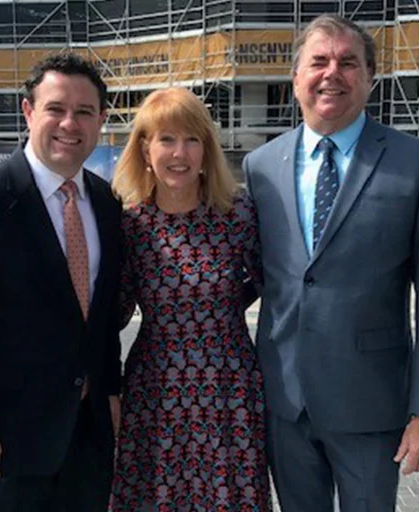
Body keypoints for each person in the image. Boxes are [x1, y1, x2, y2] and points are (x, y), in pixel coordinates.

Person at [242, 14, 419, 512]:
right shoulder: (261, 167)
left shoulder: (418, 163)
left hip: (371, 404)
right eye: (318, 61)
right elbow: (253, 277)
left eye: (348, 62)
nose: (331, 73)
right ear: (296, 77)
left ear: (369, 78)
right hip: (285, 401)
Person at [0, 53, 122, 512]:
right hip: (3, 444)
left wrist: (109, 390)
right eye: (55, 108)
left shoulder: (106, 204)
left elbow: (102, 315)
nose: (69, 123)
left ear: (101, 121)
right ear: (29, 111)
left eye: (84, 111)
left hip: (85, 440)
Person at [109, 87, 272, 511]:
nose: (179, 152)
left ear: (206, 150)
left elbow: (272, 285)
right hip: (156, 391)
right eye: (166, 139)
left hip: (228, 388)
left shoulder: (237, 214)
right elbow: (114, 313)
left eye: (192, 139)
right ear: (145, 150)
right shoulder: (131, 226)